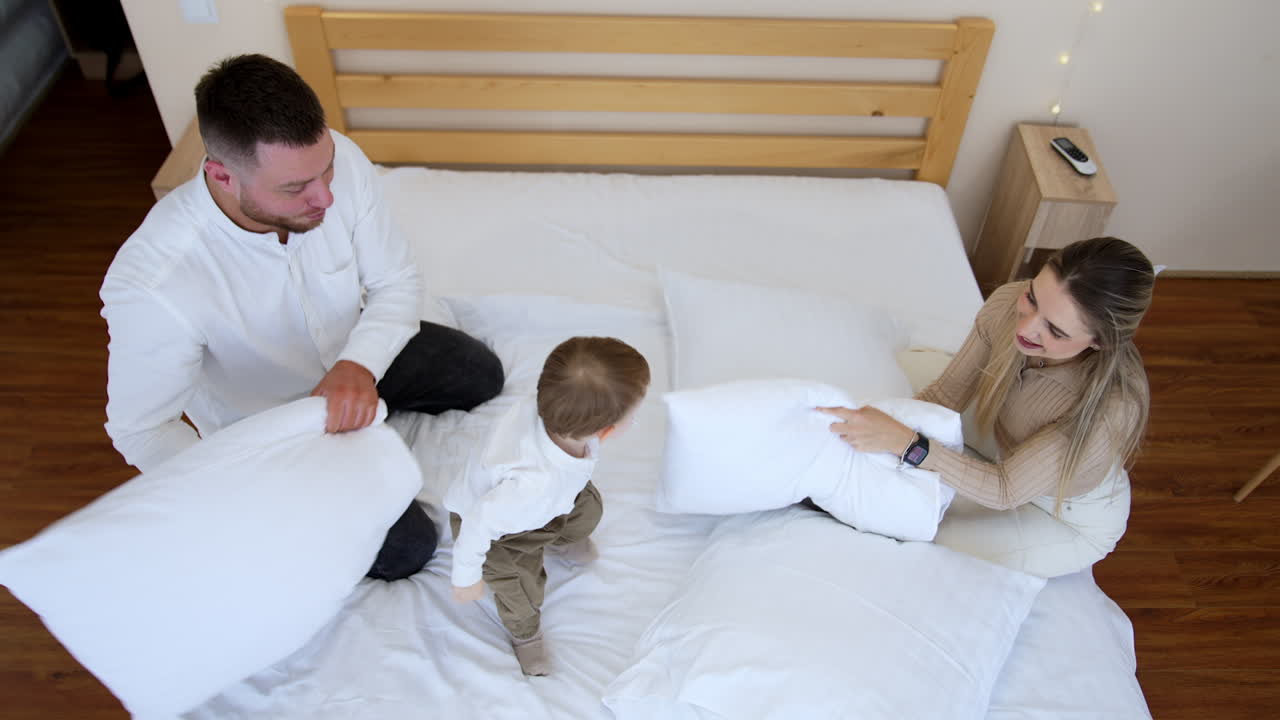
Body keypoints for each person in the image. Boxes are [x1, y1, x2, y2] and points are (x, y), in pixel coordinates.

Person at [99, 54, 504, 581]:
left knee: (483, 376)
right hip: (275, 423)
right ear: (221, 175)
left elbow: (396, 281)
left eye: (327, 169)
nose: (326, 197)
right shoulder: (154, 284)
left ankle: (370, 403)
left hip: (356, 352)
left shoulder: (335, 162)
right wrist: (246, 485)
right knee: (409, 550)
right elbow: (143, 429)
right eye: (295, 190)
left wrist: (358, 365)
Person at [819, 237, 1154, 576]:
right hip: (1002, 432)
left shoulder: (1110, 409)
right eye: (1033, 298)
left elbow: (1005, 488)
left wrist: (908, 444)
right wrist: (865, 433)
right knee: (900, 380)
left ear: (1100, 342)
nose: (1025, 327)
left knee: (916, 529)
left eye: (1054, 330)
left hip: (1056, 508)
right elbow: (944, 396)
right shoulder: (1009, 301)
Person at [446, 337, 650, 676]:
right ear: (608, 430)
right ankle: (525, 635)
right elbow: (478, 523)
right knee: (521, 588)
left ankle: (565, 539)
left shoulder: (553, 408)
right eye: (634, 414)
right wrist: (465, 576)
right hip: (501, 534)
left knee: (589, 508)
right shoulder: (530, 483)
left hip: (550, 501)